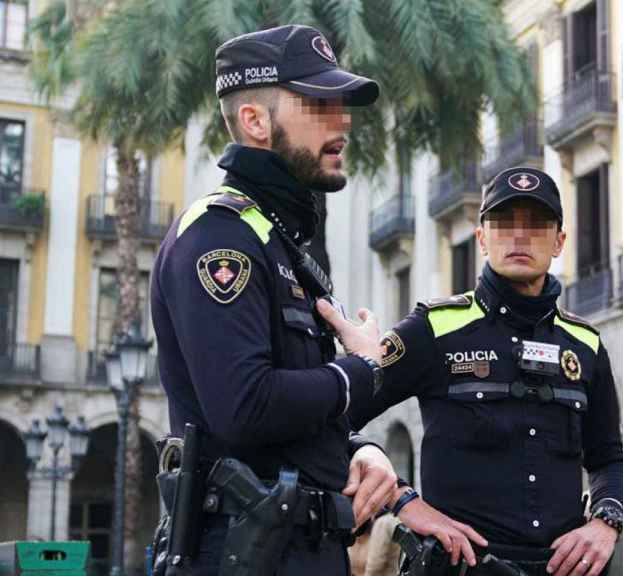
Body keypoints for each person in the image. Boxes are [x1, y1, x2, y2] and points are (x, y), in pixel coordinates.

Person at [151, 24, 400, 575]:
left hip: (299, 551)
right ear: (255, 121)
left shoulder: (276, 239)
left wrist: (358, 448)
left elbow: (289, 422)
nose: (343, 122)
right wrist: (358, 372)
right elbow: (244, 406)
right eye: (319, 104)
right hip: (241, 555)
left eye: (342, 105)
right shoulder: (218, 235)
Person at [323, 167, 623, 576]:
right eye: (504, 222)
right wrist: (403, 500)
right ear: (482, 237)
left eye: (536, 224)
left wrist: (604, 523)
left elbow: (609, 457)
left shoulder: (586, 345)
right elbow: (332, 419)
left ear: (559, 241)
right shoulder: (433, 329)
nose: (520, 237)